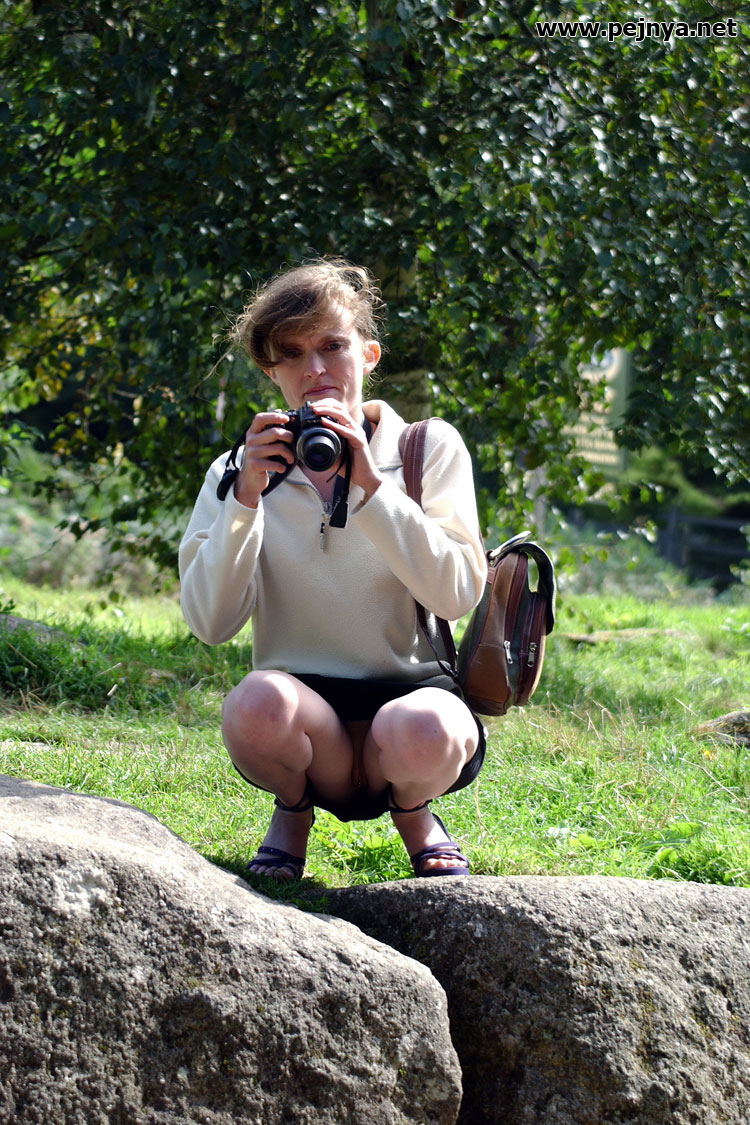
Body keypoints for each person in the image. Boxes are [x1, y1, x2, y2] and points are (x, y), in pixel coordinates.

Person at [179, 259, 488, 881]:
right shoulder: (238, 471)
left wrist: (372, 489)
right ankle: (292, 811)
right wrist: (245, 500)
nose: (314, 370)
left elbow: (457, 595)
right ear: (271, 372)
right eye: (291, 354)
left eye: (332, 346)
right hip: (302, 721)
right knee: (252, 702)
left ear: (369, 355)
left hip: (410, 715)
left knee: (426, 723)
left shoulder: (425, 449)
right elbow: (210, 624)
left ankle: (414, 812)